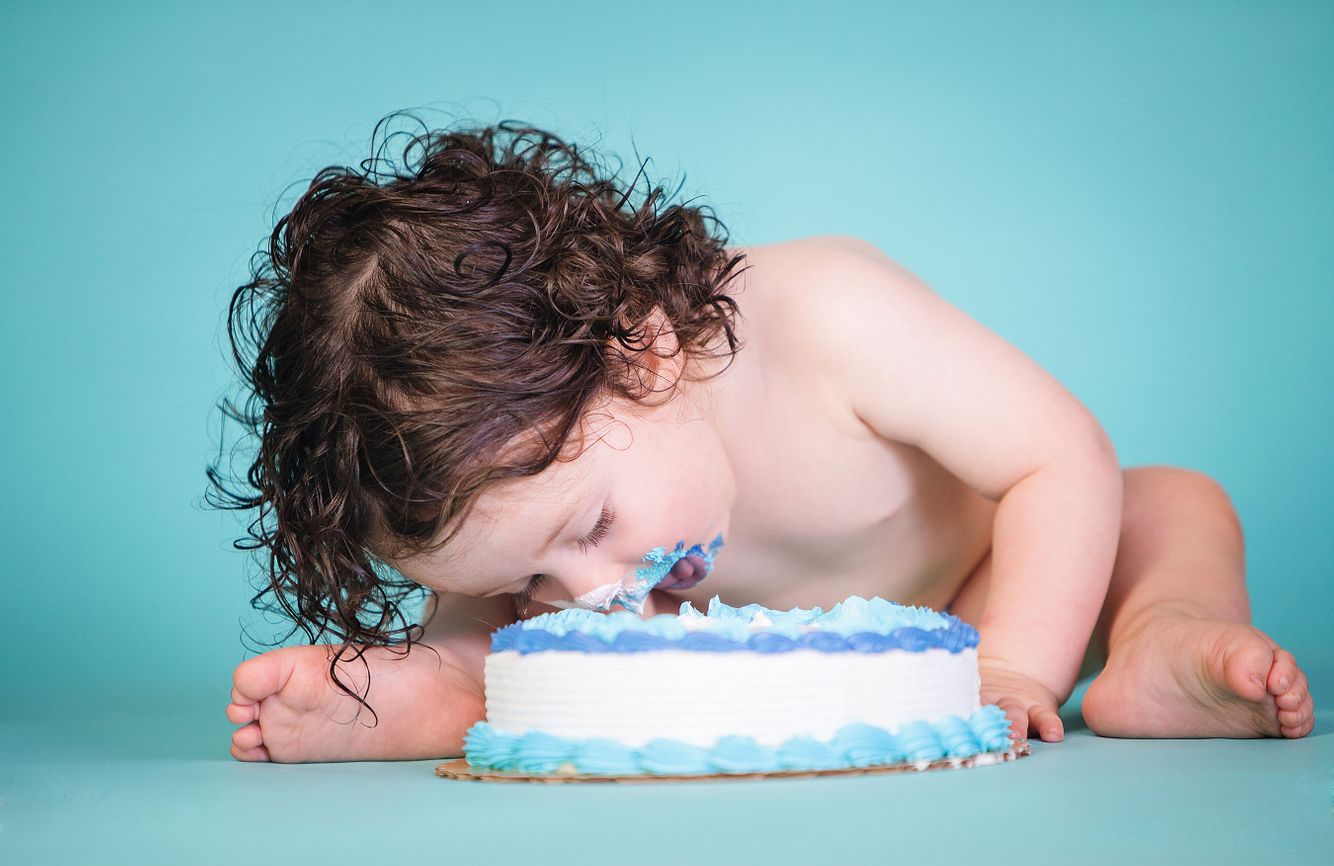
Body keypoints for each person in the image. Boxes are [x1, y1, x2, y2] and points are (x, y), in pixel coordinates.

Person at [213, 115, 1313, 763]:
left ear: (639, 353)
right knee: (488, 638)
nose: (593, 590)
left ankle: (1165, 637)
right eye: (531, 576)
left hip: (991, 605)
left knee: (1167, 501)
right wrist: (468, 636)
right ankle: (410, 694)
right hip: (833, 689)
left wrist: (1012, 662)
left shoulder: (828, 316)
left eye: (591, 525)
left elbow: (1054, 455)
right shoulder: (540, 526)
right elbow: (520, 572)